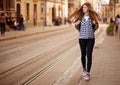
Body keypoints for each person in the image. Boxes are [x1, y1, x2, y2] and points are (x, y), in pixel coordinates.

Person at [68, 2, 101, 80]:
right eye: (83, 7)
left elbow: (96, 28)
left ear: (88, 8)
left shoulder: (92, 18)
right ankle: (84, 69)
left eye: (85, 7)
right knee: (83, 55)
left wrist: (95, 24)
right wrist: (76, 24)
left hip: (90, 39)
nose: (83, 9)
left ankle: (88, 73)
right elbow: (77, 28)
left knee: (89, 55)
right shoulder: (80, 17)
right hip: (82, 38)